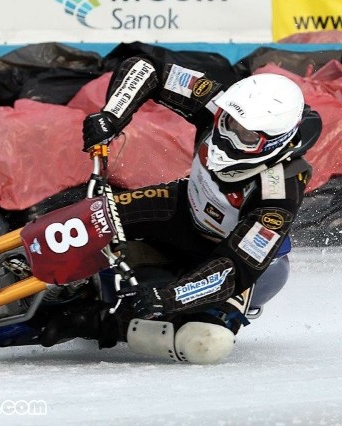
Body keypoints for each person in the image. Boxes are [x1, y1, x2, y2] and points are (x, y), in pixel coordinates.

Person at [39, 55, 322, 364]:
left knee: (207, 343)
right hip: (184, 206)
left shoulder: (279, 191)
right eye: (228, 122)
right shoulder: (217, 104)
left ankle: (97, 322)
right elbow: (149, 69)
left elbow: (234, 269)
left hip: (241, 263)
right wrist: (111, 116)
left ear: (273, 142)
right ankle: (15, 262)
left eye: (246, 135)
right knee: (84, 217)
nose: (226, 137)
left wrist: (168, 297)